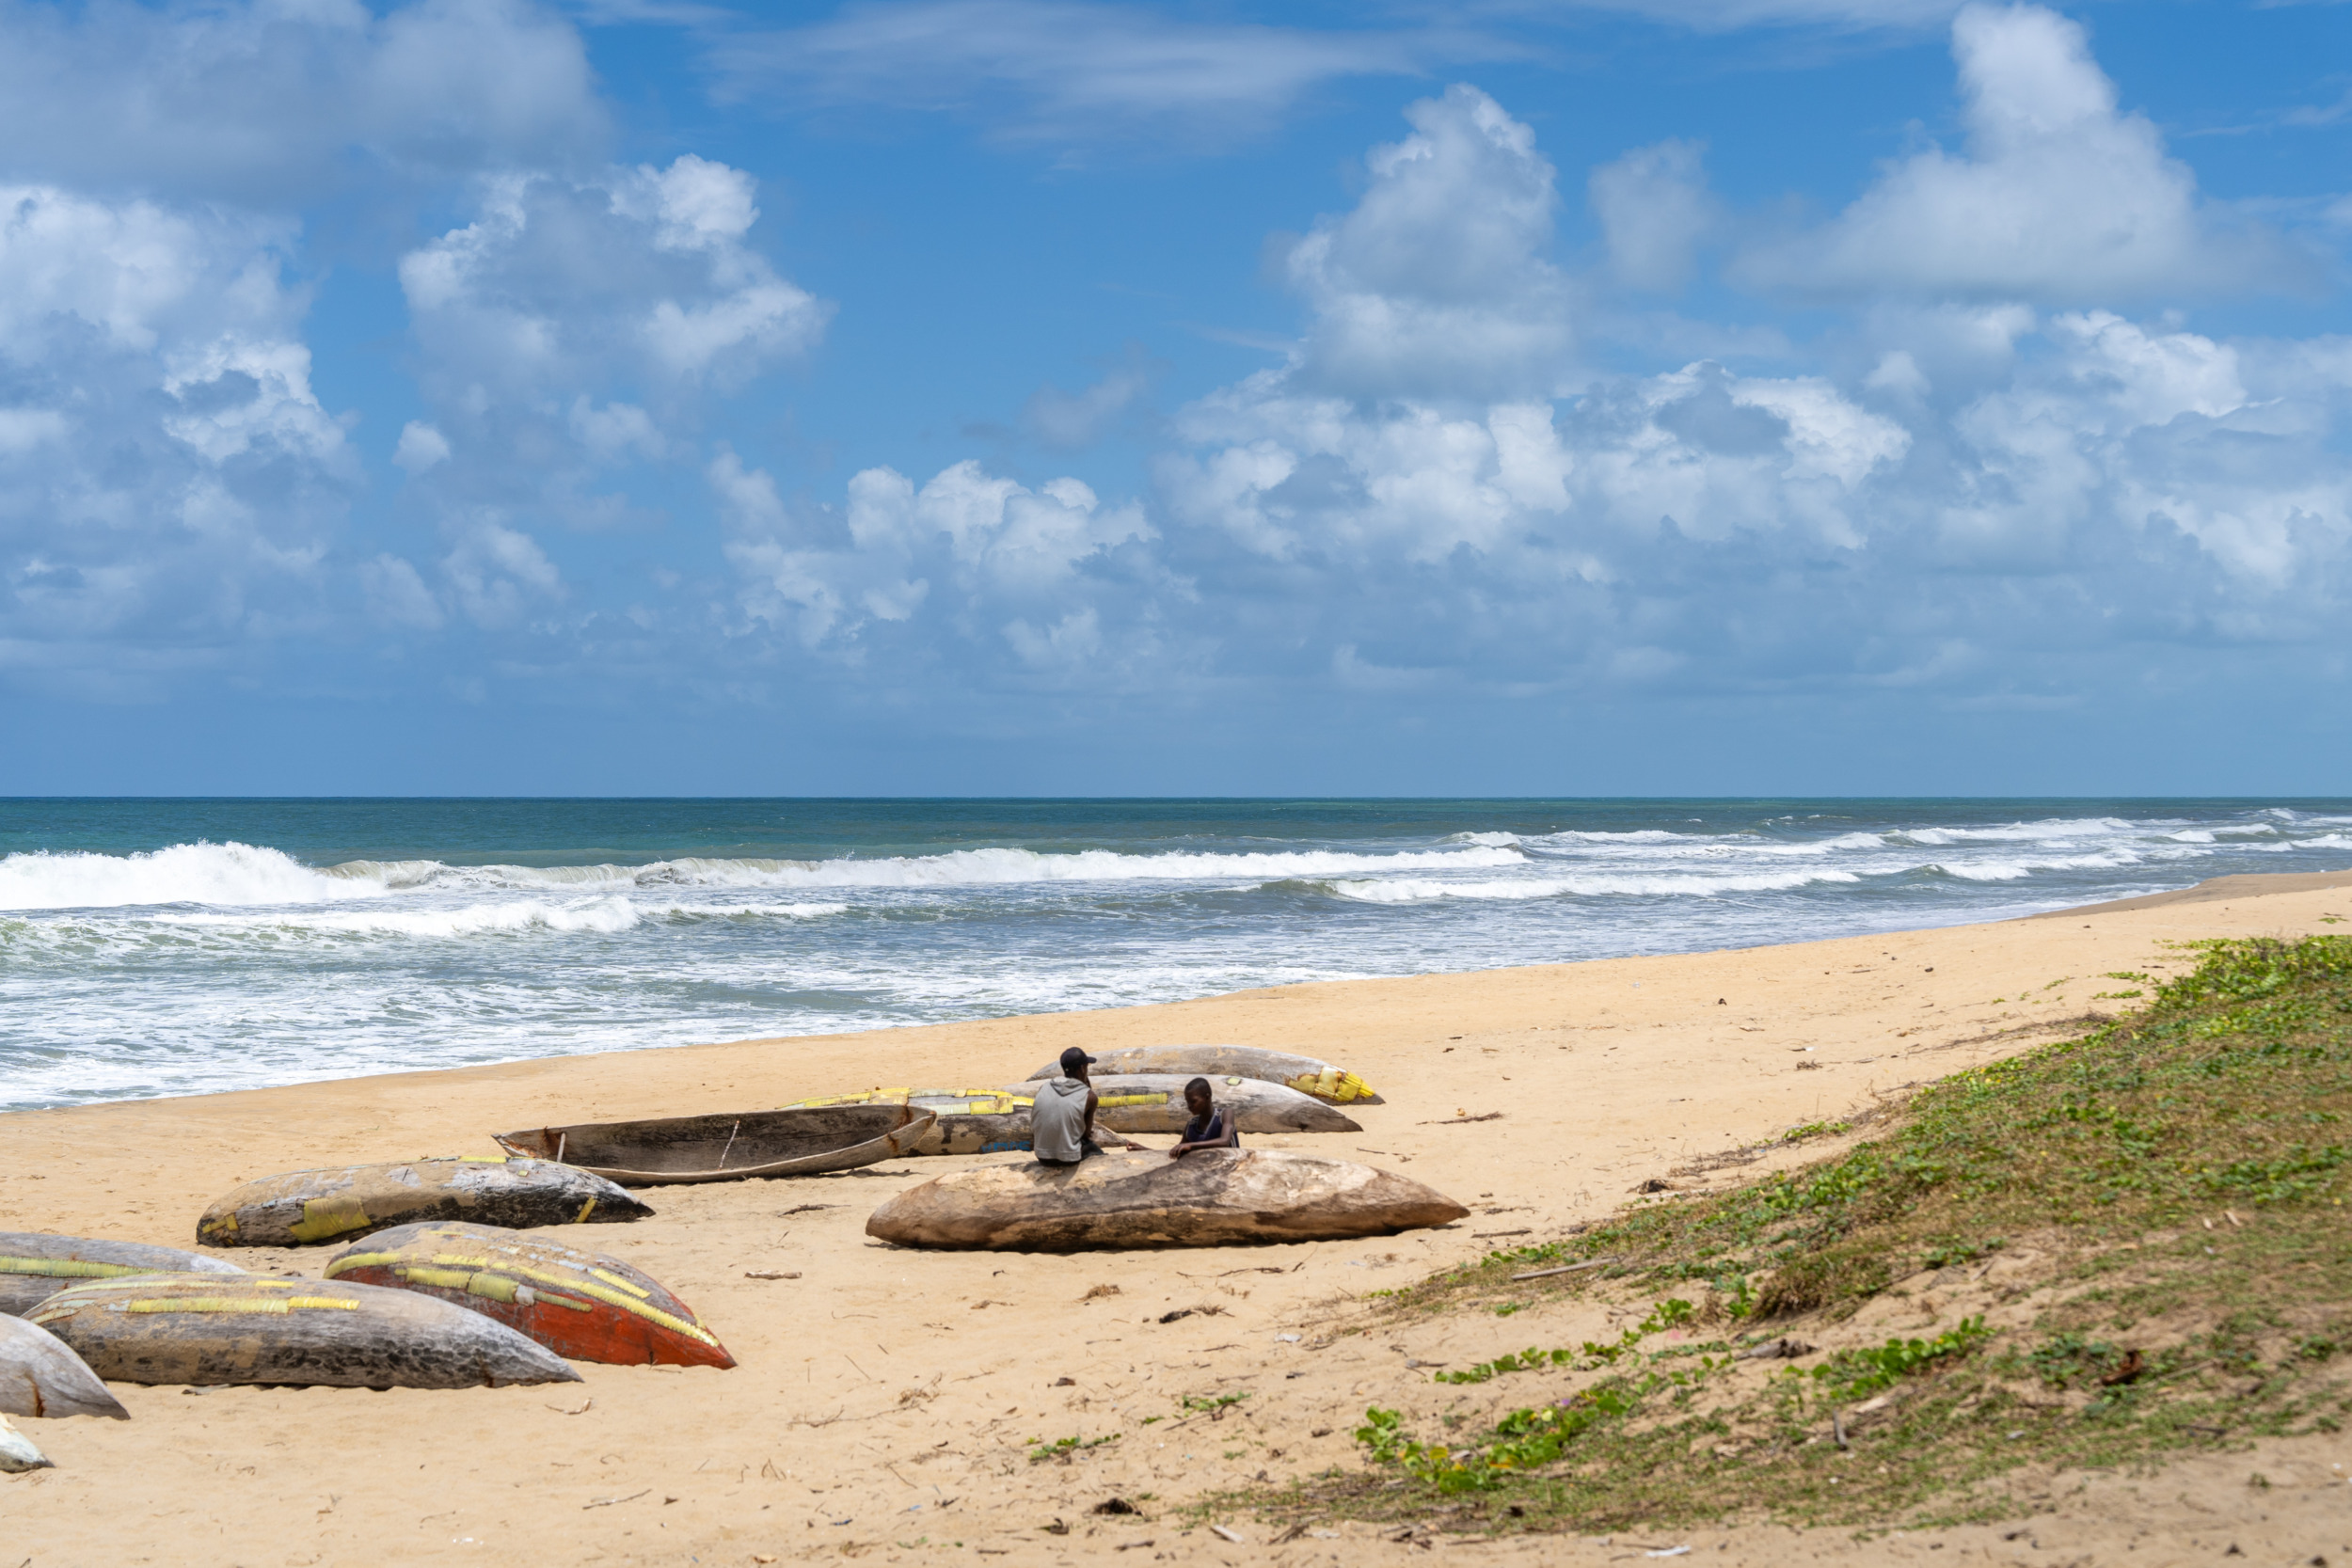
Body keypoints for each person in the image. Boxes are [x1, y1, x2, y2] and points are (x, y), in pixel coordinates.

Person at [1031, 1047, 1145, 1166]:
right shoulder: (1089, 1096)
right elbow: (1086, 1133)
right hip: (1068, 1159)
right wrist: (1088, 1089)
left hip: (1041, 1156)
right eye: (1086, 1067)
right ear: (1081, 1068)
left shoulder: (1044, 1087)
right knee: (1094, 1149)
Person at [1167, 1075, 1240, 1160]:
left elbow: (1225, 1141)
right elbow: (1178, 1152)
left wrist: (1191, 1145)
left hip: (1234, 1168)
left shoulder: (1224, 1114)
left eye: (1193, 1101)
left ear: (1207, 1097)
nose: (1189, 1106)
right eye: (1188, 1102)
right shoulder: (1191, 1125)